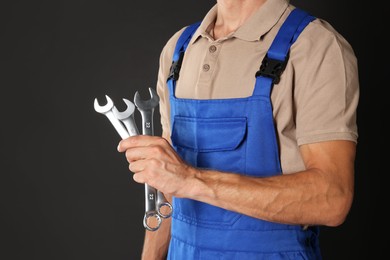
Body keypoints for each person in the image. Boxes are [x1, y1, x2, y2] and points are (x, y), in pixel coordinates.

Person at [117, 0, 359, 259]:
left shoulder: (314, 45)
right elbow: (166, 185)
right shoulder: (179, 49)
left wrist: (191, 180)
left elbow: (333, 198)